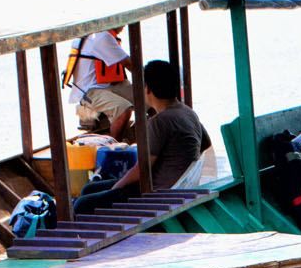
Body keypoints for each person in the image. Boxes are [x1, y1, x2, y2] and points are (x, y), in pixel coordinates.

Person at [73, 59, 210, 215]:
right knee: (90, 188)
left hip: (156, 193)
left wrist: (116, 188)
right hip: (175, 185)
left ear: (147, 89)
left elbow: (141, 170)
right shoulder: (187, 112)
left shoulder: (160, 122)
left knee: (82, 204)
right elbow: (205, 143)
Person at [65, 28, 134, 139]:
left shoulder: (101, 35)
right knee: (123, 109)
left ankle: (156, 136)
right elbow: (131, 65)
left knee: (150, 97)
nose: (124, 26)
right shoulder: (101, 37)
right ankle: (114, 148)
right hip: (89, 91)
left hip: (110, 85)